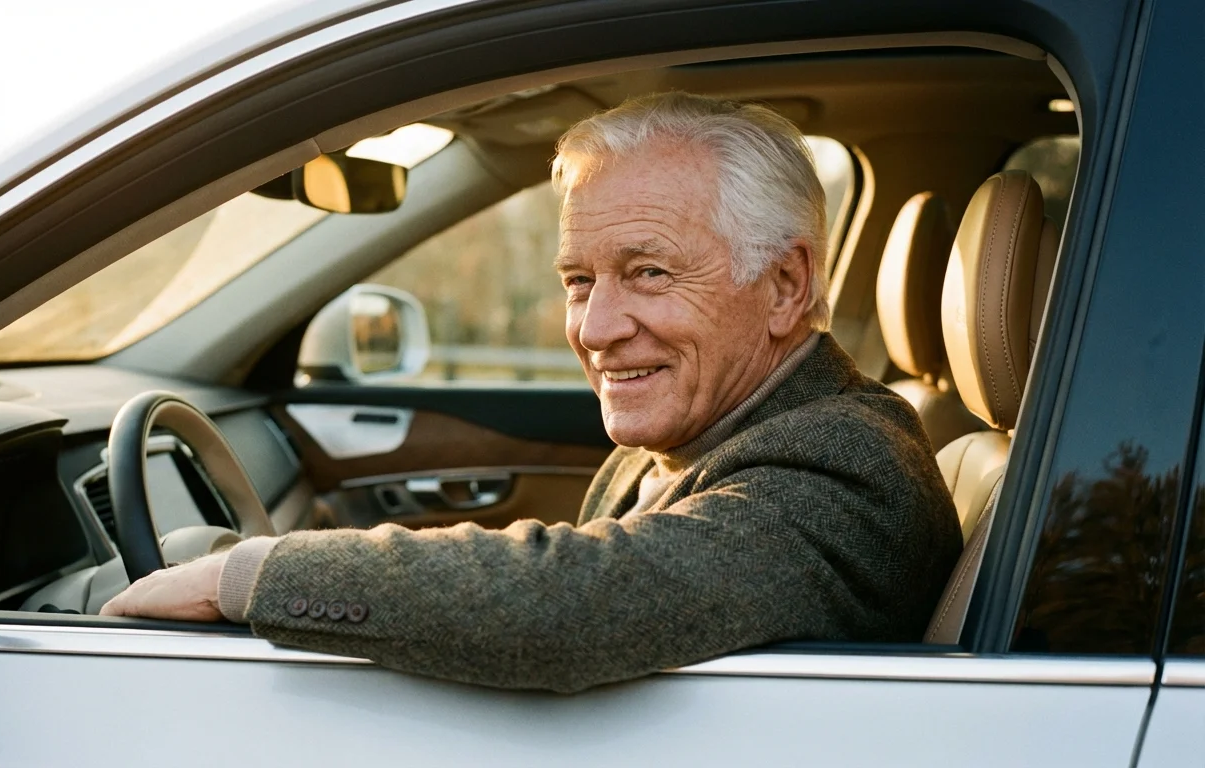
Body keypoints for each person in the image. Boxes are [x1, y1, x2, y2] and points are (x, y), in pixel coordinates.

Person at [102, 92, 963, 693]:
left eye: (649, 272)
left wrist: (250, 575)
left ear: (783, 286)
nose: (594, 329)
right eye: (580, 280)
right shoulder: (707, 433)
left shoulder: (850, 463)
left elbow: (576, 603)